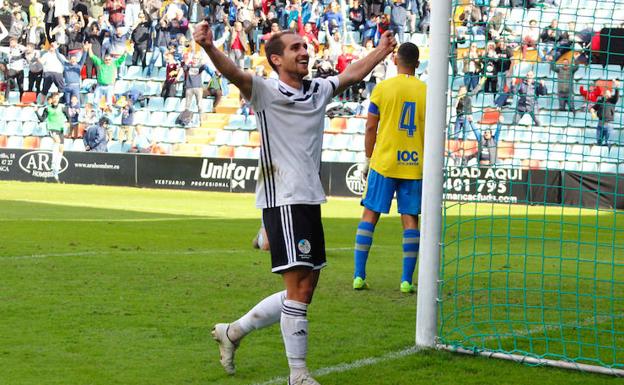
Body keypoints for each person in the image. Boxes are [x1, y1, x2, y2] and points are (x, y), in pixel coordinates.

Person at [193, 20, 396, 385]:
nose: (305, 52)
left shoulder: (317, 90)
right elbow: (234, 73)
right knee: (299, 289)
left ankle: (233, 332)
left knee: (305, 288)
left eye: (305, 46)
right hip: (284, 199)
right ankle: (298, 375)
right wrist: (208, 46)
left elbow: (349, 75)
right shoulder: (265, 92)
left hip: (309, 199)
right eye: (295, 48)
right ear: (275, 60)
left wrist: (381, 51)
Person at [351, 42, 425, 294]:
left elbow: (371, 127)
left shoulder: (383, 88)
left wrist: (368, 157)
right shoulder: (427, 91)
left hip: (384, 162)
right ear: (417, 63)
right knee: (410, 220)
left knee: (370, 216)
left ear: (395, 61)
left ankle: (359, 276)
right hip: (413, 163)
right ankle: (406, 281)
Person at [36, 93, 67, 181]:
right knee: (57, 141)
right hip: (51, 128)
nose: (56, 99)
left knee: (61, 149)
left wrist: (69, 121)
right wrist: (36, 111)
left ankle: (56, 170)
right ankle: (53, 164)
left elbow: (68, 116)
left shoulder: (62, 107)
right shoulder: (47, 108)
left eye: (57, 98)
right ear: (52, 99)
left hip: (60, 129)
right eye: (54, 98)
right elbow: (42, 119)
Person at [590, 79, 620, 147]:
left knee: (608, 142)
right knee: (598, 141)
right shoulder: (600, 101)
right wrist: (593, 113)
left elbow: (616, 95)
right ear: (603, 94)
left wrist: (617, 86)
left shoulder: (612, 101)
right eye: (605, 93)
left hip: (609, 124)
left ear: (610, 95)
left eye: (608, 93)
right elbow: (592, 108)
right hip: (600, 124)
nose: (606, 94)